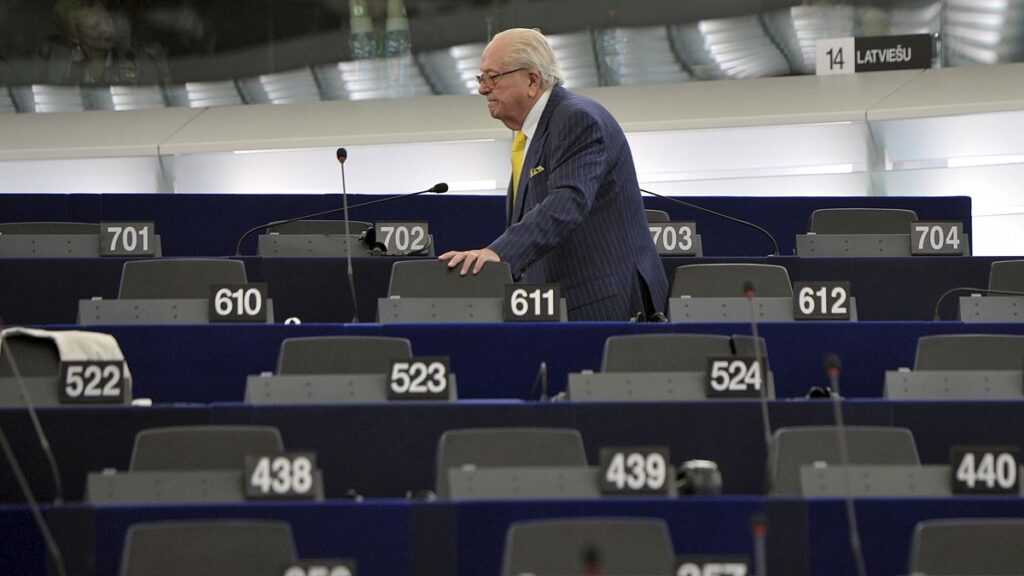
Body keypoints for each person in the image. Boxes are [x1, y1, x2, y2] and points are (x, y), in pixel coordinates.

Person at [439, 28, 668, 321]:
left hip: (604, 303)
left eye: (493, 77)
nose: (483, 89)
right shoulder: (533, 131)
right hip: (565, 304)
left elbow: (568, 200)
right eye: (481, 78)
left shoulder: (576, 119)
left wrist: (499, 253)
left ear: (532, 81)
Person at [43, 0, 170, 86]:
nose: (108, 30)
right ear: (74, 36)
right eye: (94, 26)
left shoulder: (143, 59)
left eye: (108, 20)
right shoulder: (55, 62)